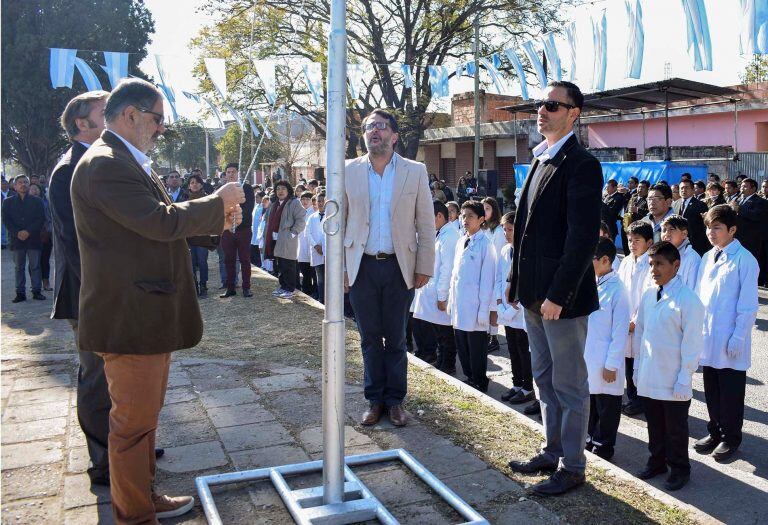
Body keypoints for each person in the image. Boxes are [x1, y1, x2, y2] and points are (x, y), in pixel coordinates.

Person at [70, 78, 245, 524]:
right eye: (157, 119)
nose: (161, 129)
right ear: (131, 115)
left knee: (143, 421)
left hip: (143, 313)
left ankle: (144, 495)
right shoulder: (106, 163)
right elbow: (157, 221)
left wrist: (218, 219)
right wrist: (217, 200)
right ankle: (134, 515)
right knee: (130, 427)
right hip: (129, 317)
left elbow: (156, 226)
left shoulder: (124, 160)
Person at [506, 81, 602, 496]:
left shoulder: (581, 164)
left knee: (569, 384)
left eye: (551, 105)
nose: (541, 111)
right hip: (533, 295)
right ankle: (552, 449)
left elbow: (582, 239)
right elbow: (525, 234)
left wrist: (558, 296)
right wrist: (516, 284)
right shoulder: (540, 159)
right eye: (539, 105)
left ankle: (574, 465)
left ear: (573, 113)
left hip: (558, 300)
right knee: (543, 378)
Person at [344, 108, 435, 428]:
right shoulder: (348, 171)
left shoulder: (414, 171)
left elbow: (425, 222)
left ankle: (395, 401)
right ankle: (374, 399)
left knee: (396, 338)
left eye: (381, 127)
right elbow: (338, 222)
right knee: (369, 338)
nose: (374, 131)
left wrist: (424, 265)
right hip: (361, 267)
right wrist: (341, 269)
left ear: (394, 136)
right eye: (369, 127)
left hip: (399, 267)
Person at [48, 90, 113, 486]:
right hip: (87, 293)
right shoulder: (68, 169)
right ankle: (103, 459)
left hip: (109, 290)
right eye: (105, 113)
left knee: (117, 375)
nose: (116, 118)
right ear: (81, 124)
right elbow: (74, 243)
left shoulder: (99, 162)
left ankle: (123, 441)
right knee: (95, 376)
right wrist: (99, 293)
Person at [633, 241, 704, 491]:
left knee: (675, 428)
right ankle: (657, 462)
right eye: (651, 264)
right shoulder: (649, 294)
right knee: (654, 423)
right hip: (651, 373)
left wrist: (685, 377)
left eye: (659, 264)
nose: (654, 269)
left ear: (676, 265)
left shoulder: (689, 300)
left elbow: (692, 344)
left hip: (674, 377)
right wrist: (637, 367)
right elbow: (640, 332)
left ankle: (680, 469)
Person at [694, 205, 759, 462]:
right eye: (709, 227)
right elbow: (701, 296)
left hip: (731, 338)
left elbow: (748, 305)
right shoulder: (708, 257)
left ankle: (731, 437)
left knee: (730, 391)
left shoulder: (745, 260)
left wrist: (738, 337)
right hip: (709, 336)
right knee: (711, 387)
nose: (711, 232)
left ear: (732, 229)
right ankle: (714, 431)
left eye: (717, 227)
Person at [584, 237, 630, 461]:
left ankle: (604, 445)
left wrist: (611, 364)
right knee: (591, 402)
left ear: (605, 260)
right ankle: (590, 437)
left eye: (590, 258)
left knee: (607, 406)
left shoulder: (618, 290)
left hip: (606, 361)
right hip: (589, 357)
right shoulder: (591, 282)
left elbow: (620, 332)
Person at [447, 200, 497, 392]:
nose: (464, 219)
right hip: (460, 304)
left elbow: (487, 282)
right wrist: (451, 301)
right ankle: (469, 377)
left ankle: (479, 380)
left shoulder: (486, 245)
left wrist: (484, 310)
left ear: (481, 219)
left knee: (476, 347)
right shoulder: (462, 240)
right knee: (462, 344)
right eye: (463, 215)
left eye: (469, 216)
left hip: (476, 306)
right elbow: (454, 275)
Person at [413, 200, 461, 375]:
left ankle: (448, 364)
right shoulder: (440, 234)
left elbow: (446, 269)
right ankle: (442, 361)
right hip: (432, 291)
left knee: (446, 333)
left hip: (441, 293)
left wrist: (442, 296)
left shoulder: (450, 236)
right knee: (439, 332)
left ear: (439, 216)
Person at [496, 212, 535, 409]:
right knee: (511, 348)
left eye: (510, 229)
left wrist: (514, 306)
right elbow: (499, 277)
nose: (506, 233)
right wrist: (499, 302)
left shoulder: (525, 251)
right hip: (505, 309)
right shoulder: (504, 251)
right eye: (504, 229)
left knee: (523, 349)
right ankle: (516, 383)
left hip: (519, 311)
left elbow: (527, 284)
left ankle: (528, 387)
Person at [617, 221, 654, 416]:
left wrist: (636, 319)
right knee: (628, 362)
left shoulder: (651, 263)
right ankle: (632, 397)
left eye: (637, 240)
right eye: (630, 240)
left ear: (649, 242)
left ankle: (641, 400)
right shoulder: (626, 261)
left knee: (641, 361)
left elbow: (648, 294)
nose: (632, 244)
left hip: (641, 322)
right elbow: (621, 290)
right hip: (625, 320)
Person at [2, 175, 46, 302]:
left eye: (25, 182)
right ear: (14, 186)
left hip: (33, 238)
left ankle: (36, 291)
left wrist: (28, 231)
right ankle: (20, 293)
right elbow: (6, 220)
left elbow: (41, 218)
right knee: (18, 267)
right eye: (20, 182)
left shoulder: (37, 201)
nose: (23, 184)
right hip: (17, 240)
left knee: (35, 266)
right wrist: (17, 233)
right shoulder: (8, 202)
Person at [263, 180, 306, 299]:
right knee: (279, 264)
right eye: (278, 189)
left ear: (288, 191)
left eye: (283, 189)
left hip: (287, 238)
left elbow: (301, 219)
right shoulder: (274, 204)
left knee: (288, 264)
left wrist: (293, 233)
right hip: (274, 238)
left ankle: (290, 288)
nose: (280, 191)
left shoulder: (294, 203)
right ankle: (283, 286)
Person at [220, 163, 255, 298]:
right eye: (228, 172)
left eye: (233, 172)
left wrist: (236, 219)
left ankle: (246, 287)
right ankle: (230, 288)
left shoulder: (246, 188)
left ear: (238, 173)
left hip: (243, 229)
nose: (231, 174)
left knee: (245, 259)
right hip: (227, 231)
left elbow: (248, 208)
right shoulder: (222, 189)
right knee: (228, 259)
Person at [482, 196, 504, 354]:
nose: (485, 211)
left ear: (494, 211)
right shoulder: (484, 229)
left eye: (488, 208)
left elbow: (497, 255)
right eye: (483, 208)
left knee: (493, 307)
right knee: (487, 306)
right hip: (484, 273)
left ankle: (494, 337)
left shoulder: (498, 231)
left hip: (495, 273)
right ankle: (487, 333)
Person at [186, 174, 212, 297]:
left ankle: (203, 285)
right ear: (189, 186)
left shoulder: (207, 199)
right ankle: (194, 286)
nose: (194, 184)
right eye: (191, 182)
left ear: (201, 184)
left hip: (203, 236)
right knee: (191, 263)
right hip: (189, 237)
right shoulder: (185, 199)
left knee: (202, 262)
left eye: (196, 182)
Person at [660, 215, 701, 289]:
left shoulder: (692, 258)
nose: (666, 234)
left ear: (684, 234)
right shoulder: (659, 256)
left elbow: (692, 291)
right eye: (664, 230)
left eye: (671, 229)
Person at [731, 178, 766, 262]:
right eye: (741, 186)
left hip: (751, 239)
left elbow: (756, 215)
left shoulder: (760, 201)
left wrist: (739, 209)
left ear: (753, 189)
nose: (742, 188)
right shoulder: (737, 200)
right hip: (737, 236)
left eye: (745, 186)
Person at [673, 179, 710, 256]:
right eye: (681, 188)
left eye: (686, 188)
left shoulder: (700, 205)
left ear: (693, 190)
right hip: (677, 243)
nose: (684, 190)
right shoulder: (675, 204)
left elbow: (704, 226)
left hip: (694, 244)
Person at [29, 183, 53, 291]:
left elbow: (51, 217)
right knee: (33, 261)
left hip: (46, 235)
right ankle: (35, 283)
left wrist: (49, 229)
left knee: (45, 259)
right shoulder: (26, 203)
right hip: (31, 236)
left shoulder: (47, 202)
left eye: (36, 189)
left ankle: (46, 282)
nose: (34, 190)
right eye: (32, 189)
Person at [305, 192, 326, 303]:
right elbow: (307, 233)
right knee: (320, 278)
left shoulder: (331, 216)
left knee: (331, 279)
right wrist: (316, 245)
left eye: (323, 201)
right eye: (319, 201)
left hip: (328, 252)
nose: (321, 203)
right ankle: (322, 300)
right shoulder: (311, 217)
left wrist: (324, 246)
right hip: (316, 251)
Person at [296, 190, 317, 298]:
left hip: (311, 246)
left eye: (307, 199)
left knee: (313, 272)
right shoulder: (300, 212)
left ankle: (313, 292)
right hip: (302, 246)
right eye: (302, 199)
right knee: (305, 272)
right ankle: (307, 291)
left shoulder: (313, 212)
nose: (304, 201)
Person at [249, 190, 266, 268]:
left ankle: (259, 265)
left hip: (260, 232)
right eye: (255, 197)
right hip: (253, 231)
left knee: (258, 250)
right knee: (252, 249)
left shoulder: (264, 207)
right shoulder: (256, 206)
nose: (256, 199)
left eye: (257, 197)